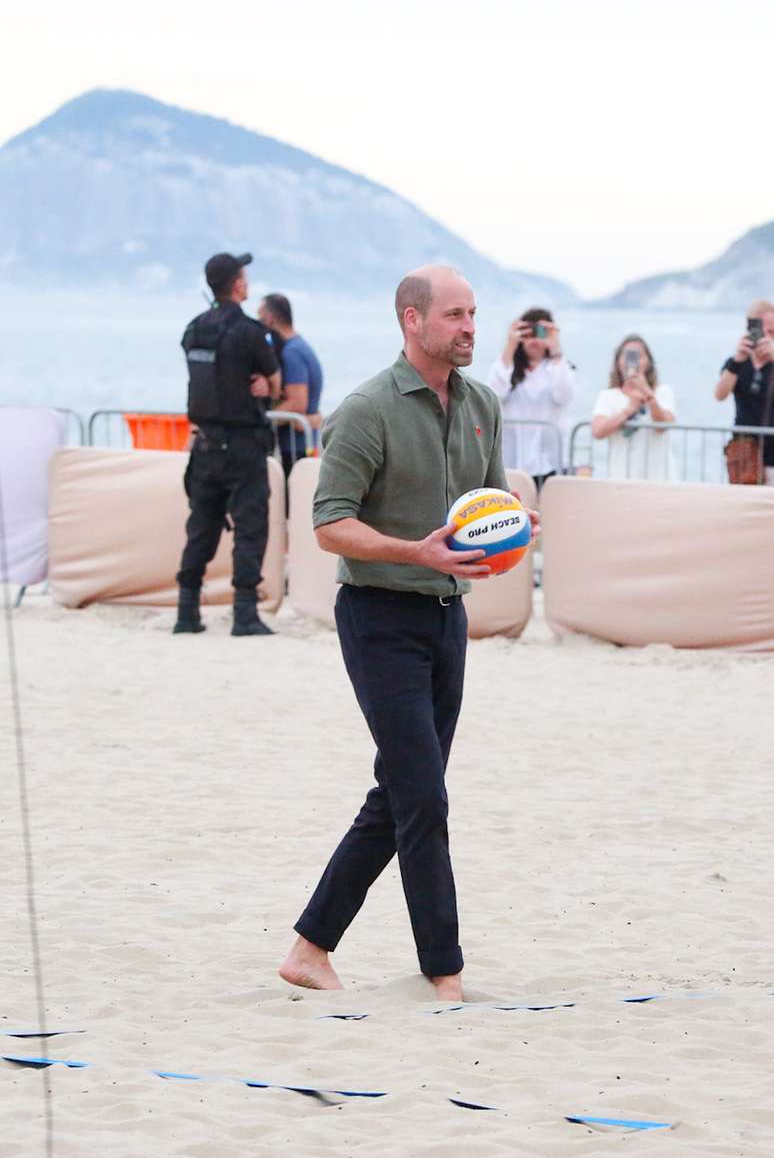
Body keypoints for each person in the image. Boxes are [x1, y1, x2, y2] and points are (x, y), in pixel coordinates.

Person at [278, 265, 539, 1003]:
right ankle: (445, 974)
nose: (469, 327)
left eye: (473, 314)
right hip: (378, 619)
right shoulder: (366, 410)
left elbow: (488, 507)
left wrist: (515, 529)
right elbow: (330, 524)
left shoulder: (482, 402)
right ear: (411, 321)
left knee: (400, 793)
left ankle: (309, 949)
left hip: (447, 619)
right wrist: (412, 551)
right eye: (454, 315)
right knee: (424, 797)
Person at [173, 252, 281, 637]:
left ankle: (187, 611)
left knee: (201, 525)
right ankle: (244, 614)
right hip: (243, 444)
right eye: (244, 276)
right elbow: (274, 381)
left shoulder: (193, 330)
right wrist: (265, 387)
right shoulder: (251, 332)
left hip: (204, 444)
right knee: (250, 527)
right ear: (237, 285)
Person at [486, 307, 575, 488]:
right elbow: (494, 393)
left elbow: (563, 396)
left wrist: (556, 347)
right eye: (528, 333)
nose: (534, 339)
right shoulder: (506, 365)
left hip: (548, 460)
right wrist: (510, 344)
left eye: (540, 333)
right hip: (511, 459)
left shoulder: (559, 366)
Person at [591, 334, 676, 480]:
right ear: (618, 362)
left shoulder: (663, 391)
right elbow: (598, 431)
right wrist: (628, 410)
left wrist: (648, 394)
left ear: (649, 362)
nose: (633, 361)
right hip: (621, 476)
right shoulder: (608, 395)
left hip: (659, 477)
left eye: (639, 356)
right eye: (627, 356)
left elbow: (663, 425)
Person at [258, 293, 324, 477]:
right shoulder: (298, 347)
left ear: (270, 318)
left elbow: (297, 404)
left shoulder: (291, 352)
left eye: (260, 315)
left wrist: (259, 421)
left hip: (296, 448)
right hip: (300, 444)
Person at [714, 301, 774, 484]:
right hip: (744, 454)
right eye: (765, 332)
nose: (768, 337)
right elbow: (720, 394)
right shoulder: (737, 363)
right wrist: (738, 360)